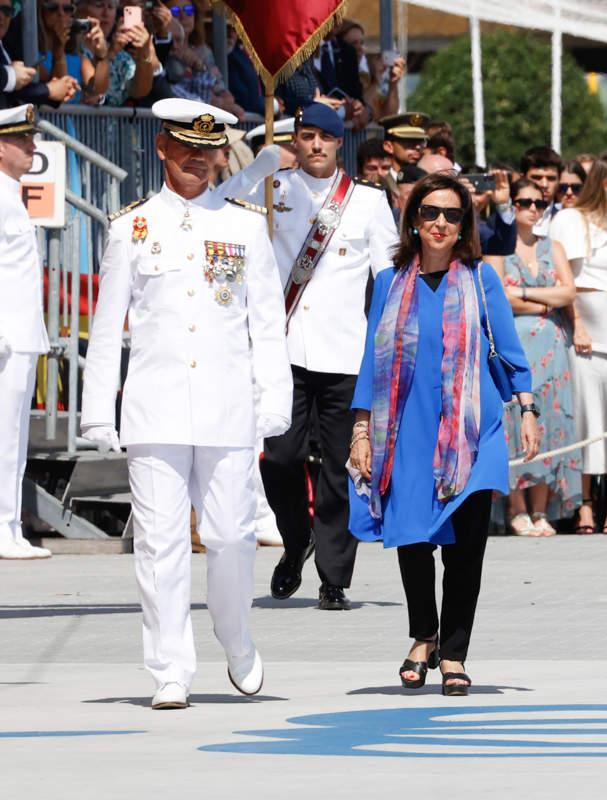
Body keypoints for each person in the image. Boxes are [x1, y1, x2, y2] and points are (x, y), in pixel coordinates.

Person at [80, 98, 292, 709]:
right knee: (160, 542)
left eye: (208, 150)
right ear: (163, 150)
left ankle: (235, 633)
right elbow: (106, 324)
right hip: (155, 408)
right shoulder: (132, 226)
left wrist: (274, 400)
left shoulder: (245, 224)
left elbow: (267, 325)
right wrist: (99, 410)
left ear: (219, 154)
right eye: (186, 149)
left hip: (227, 407)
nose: (197, 160)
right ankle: (170, 667)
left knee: (230, 536)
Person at [347, 173, 538, 696]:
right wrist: (361, 429)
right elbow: (371, 358)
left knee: (466, 547)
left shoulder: (480, 279)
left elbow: (511, 351)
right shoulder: (389, 281)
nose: (440, 223)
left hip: (475, 432)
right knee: (411, 538)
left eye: (452, 215)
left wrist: (527, 408)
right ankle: (421, 634)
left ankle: (452, 653)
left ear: (464, 225)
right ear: (413, 218)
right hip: (407, 429)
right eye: (430, 211)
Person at [231, 103, 399, 611]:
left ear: (338, 143)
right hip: (283, 350)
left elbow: (387, 277)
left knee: (340, 469)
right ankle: (296, 535)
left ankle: (334, 576)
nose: (317, 146)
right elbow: (221, 211)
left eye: (326, 138)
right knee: (279, 457)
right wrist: (254, 170)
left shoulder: (367, 202)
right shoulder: (273, 190)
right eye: (307, 137)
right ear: (295, 142)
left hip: (347, 352)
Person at [485, 179, 579, 535]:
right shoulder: (498, 246)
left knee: (551, 422)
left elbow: (568, 292)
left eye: (540, 203)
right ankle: (516, 509)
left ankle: (541, 511)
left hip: (551, 343)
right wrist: (545, 297)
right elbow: (499, 299)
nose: (533, 209)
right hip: (513, 342)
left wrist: (524, 291)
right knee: (514, 421)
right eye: (524, 202)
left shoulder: (552, 246)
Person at [549, 154, 607, 535]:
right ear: (606, 185)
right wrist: (577, 323)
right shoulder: (568, 219)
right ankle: (585, 503)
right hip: (581, 330)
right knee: (585, 417)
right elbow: (565, 276)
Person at [0, 105, 51, 561]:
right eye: (22, 140)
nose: (32, 146)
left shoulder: (11, 194)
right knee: (3, 435)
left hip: (19, 335)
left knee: (13, 435)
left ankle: (10, 527)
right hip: (4, 338)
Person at [1, 0, 78, 108]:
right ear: (39, 8)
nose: (61, 13)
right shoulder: (16, 38)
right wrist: (48, 90)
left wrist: (60, 89)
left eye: (6, 11)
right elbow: (12, 85)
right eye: (52, 7)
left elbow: (17, 90)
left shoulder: (4, 47)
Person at [379, 111, 429, 182]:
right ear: (389, 146)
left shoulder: (427, 182)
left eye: (420, 141)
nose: (418, 147)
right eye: (409, 141)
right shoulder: (380, 184)